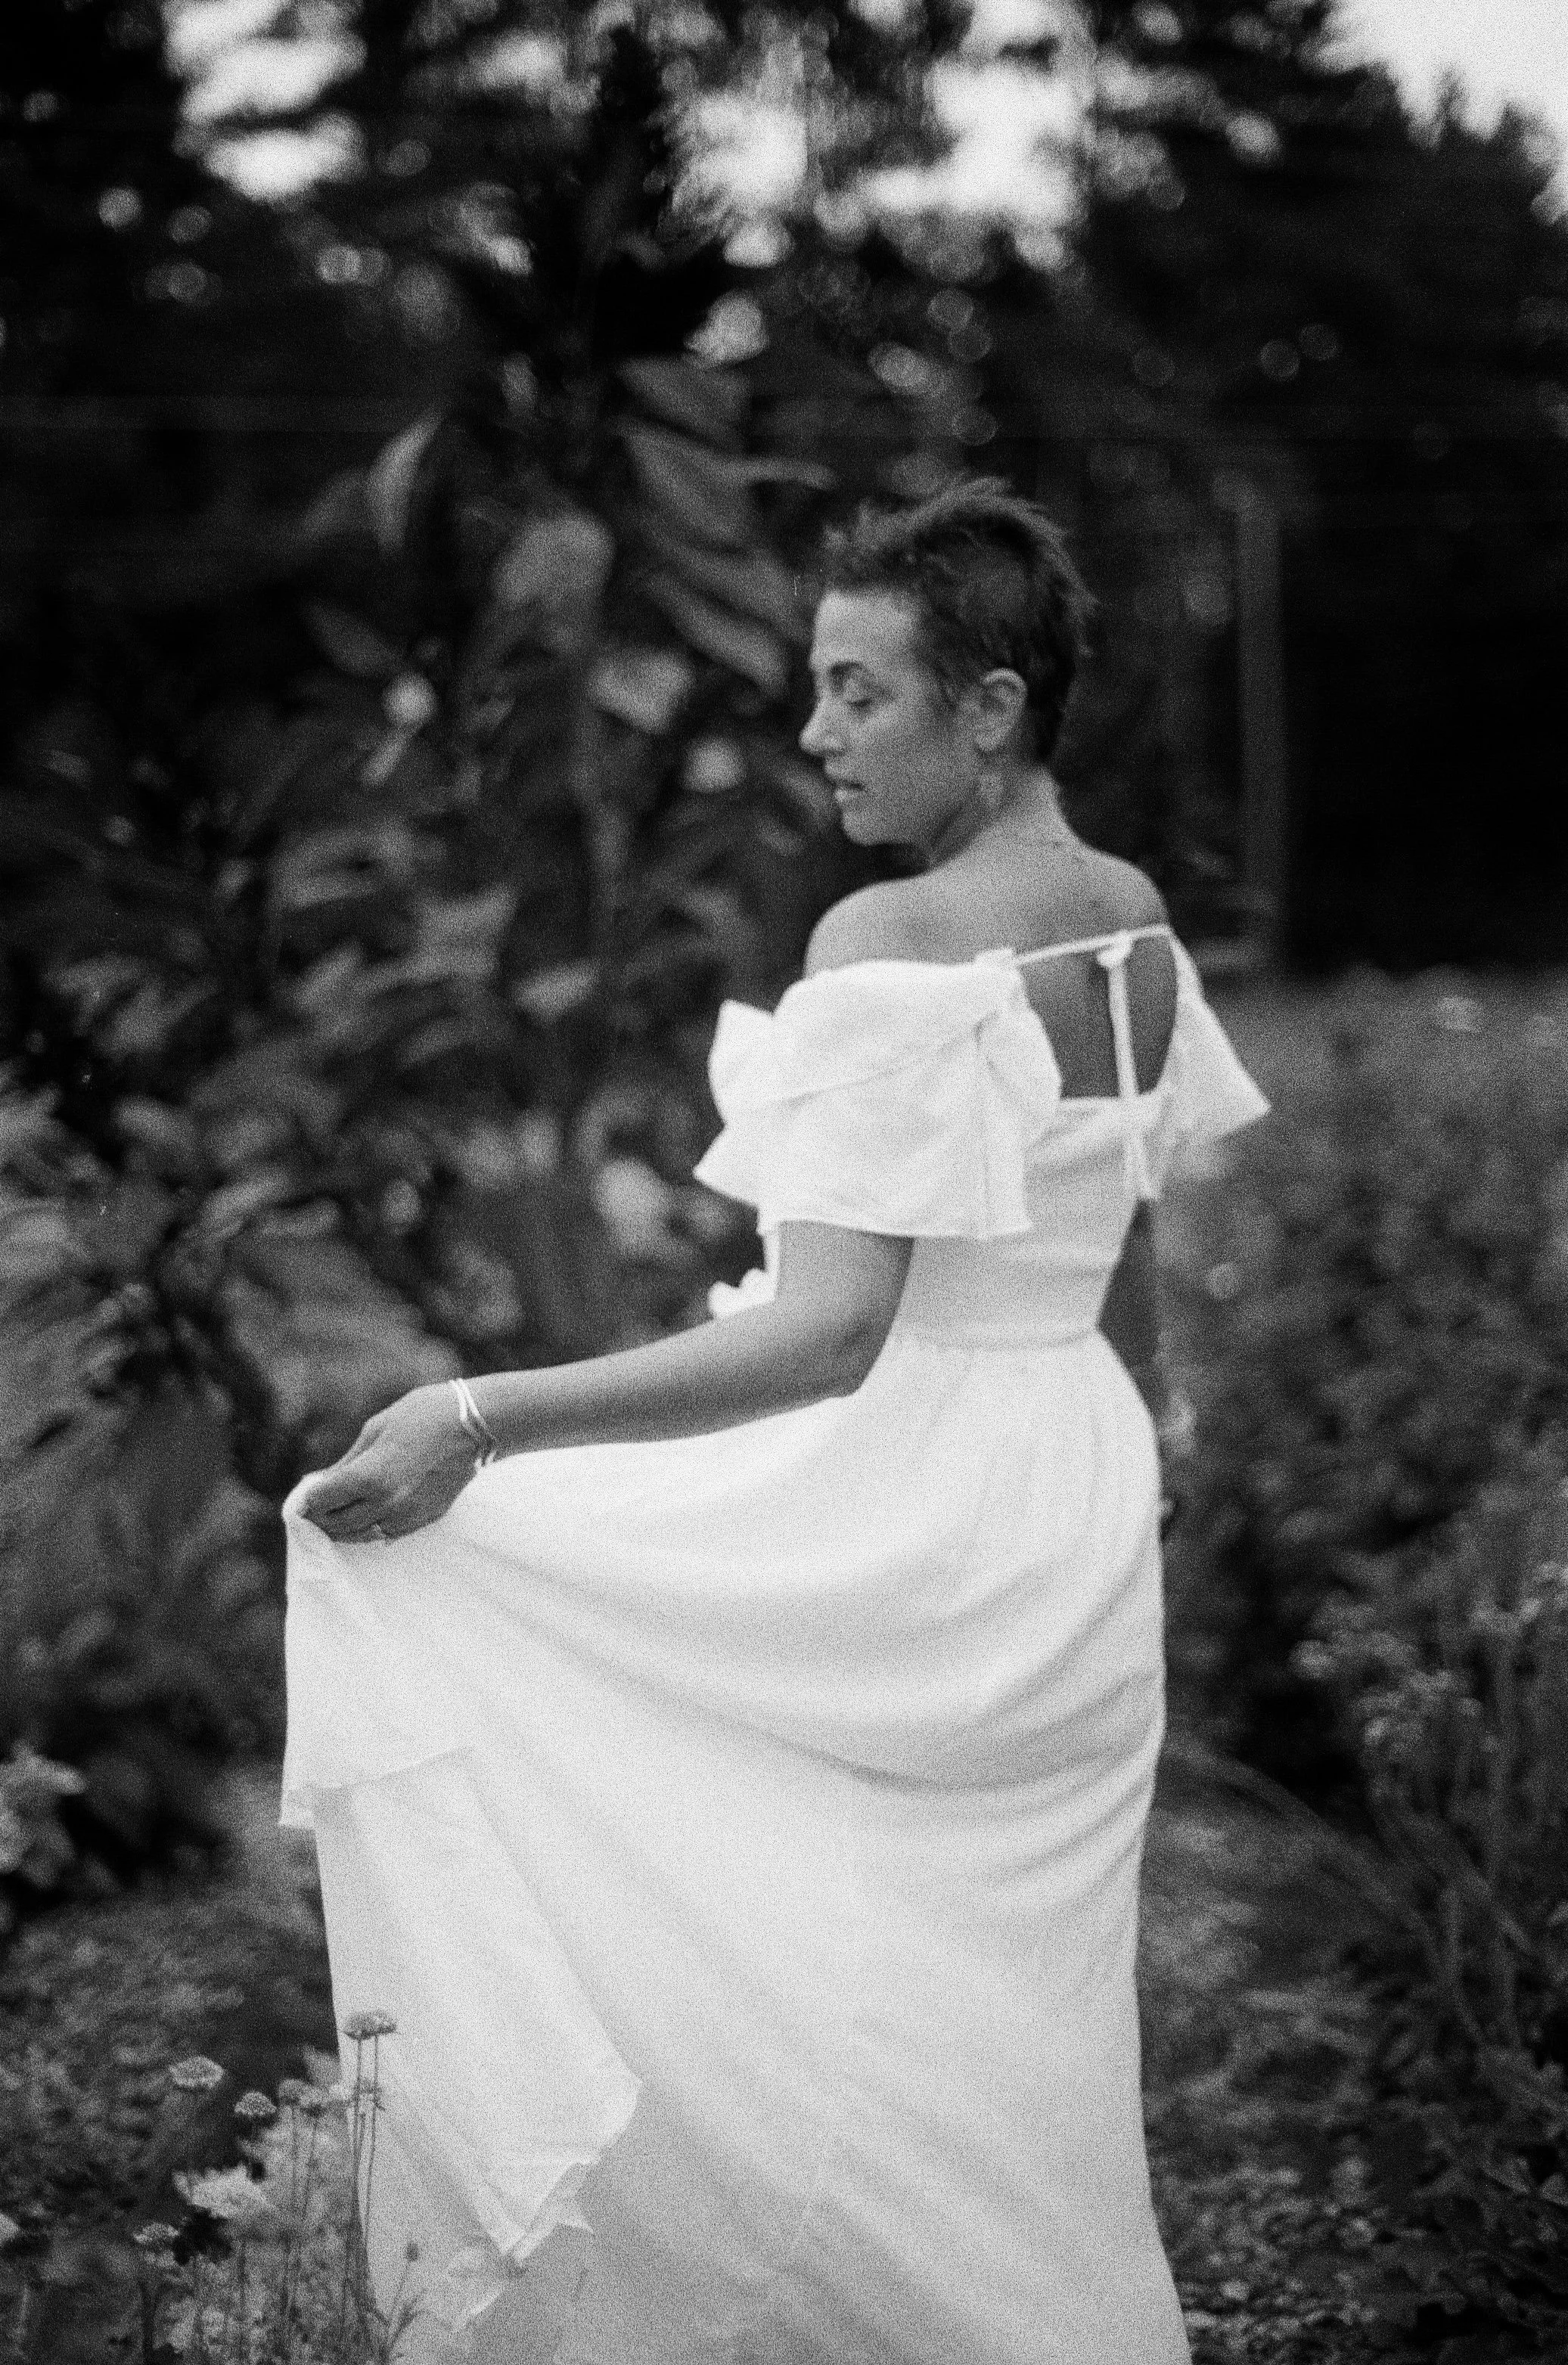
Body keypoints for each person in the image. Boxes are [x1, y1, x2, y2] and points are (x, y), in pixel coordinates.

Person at [281, 477, 1268, 2365]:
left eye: (859, 693)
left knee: (755, 1896)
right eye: (814, 689)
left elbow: (828, 1334)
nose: (812, 734)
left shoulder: (888, 939)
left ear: (989, 710)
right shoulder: (1129, 922)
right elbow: (1124, 1237)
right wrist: (1143, 1445)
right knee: (1008, 1995)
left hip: (913, 1499)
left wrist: (471, 1416)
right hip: (1063, 1485)